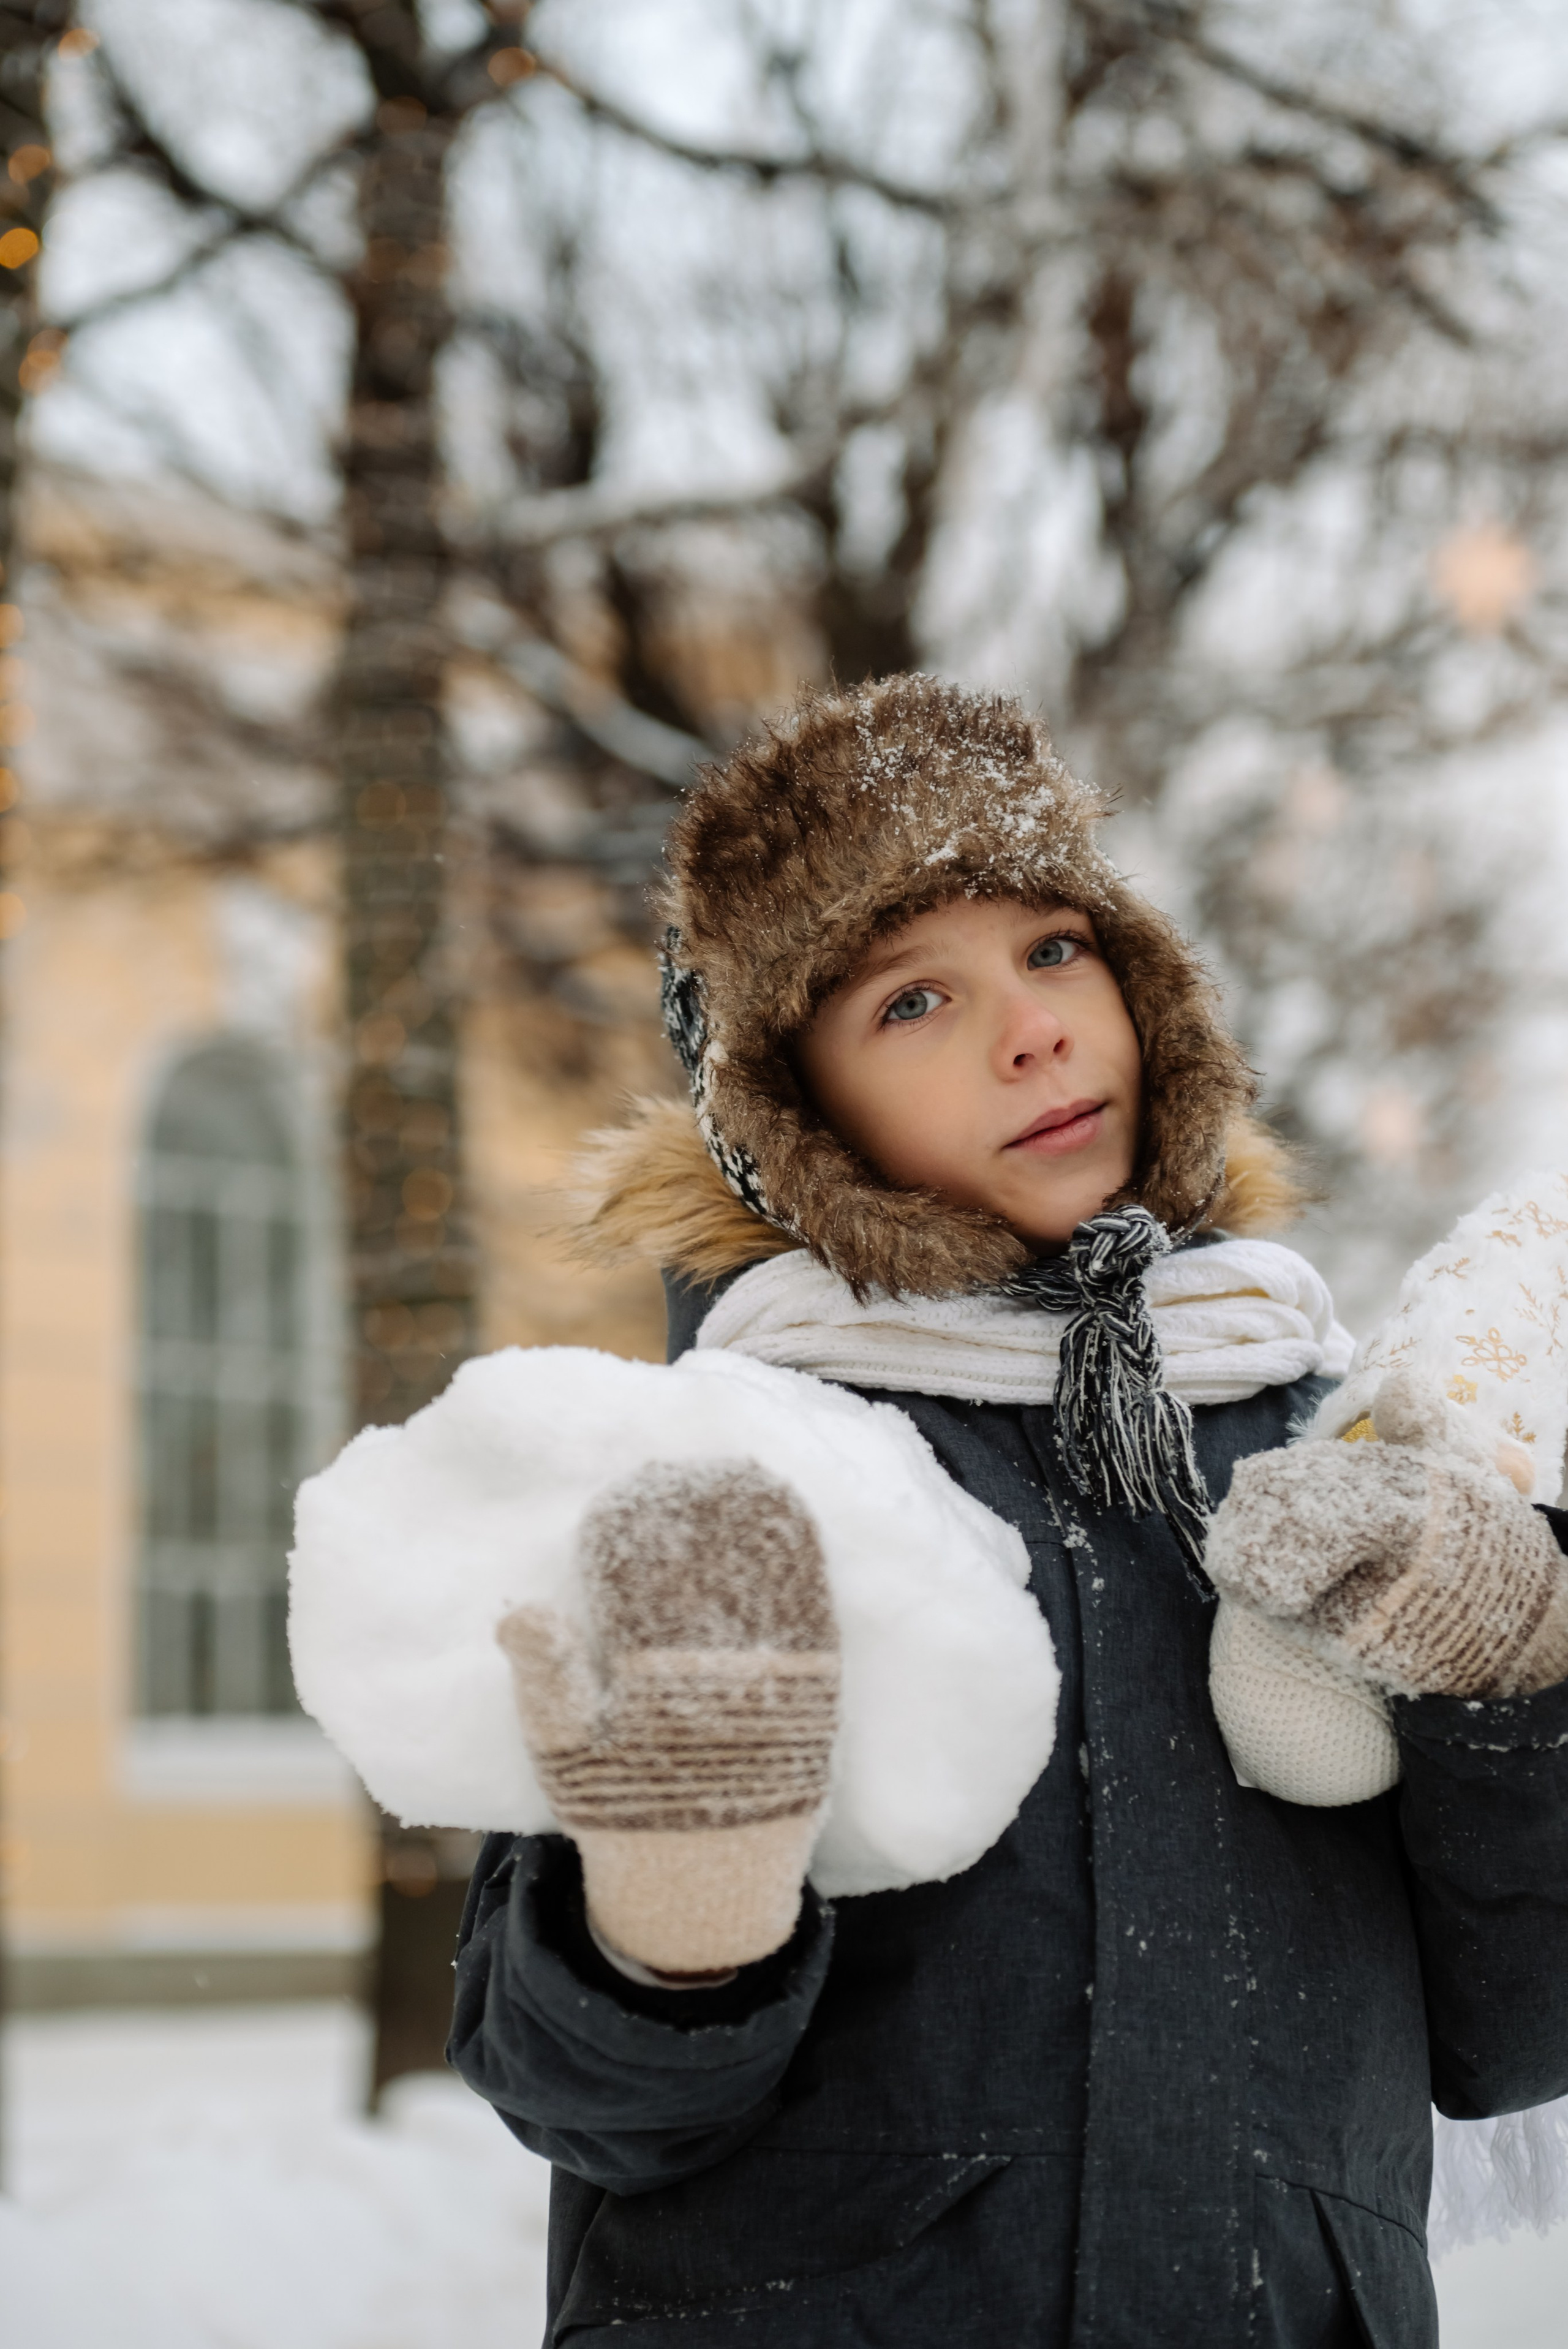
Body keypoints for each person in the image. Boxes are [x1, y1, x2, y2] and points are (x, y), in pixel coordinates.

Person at [448, 674, 1568, 2347]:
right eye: (912, 1000)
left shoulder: (1317, 1435)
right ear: (794, 1117)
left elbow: (1514, 2027)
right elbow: (581, 2096)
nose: (1032, 1026)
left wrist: (1516, 1666)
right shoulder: (736, 1469)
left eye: (1056, 947)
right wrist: (673, 1913)